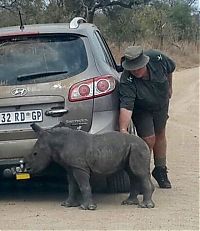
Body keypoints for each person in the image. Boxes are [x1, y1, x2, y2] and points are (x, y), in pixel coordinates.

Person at [119, 45, 176, 188]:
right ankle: (143, 174)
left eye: (138, 67)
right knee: (148, 139)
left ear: (144, 62)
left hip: (161, 103)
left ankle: (160, 170)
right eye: (132, 68)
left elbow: (170, 70)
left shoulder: (158, 58)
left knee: (160, 133)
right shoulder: (127, 79)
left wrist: (169, 86)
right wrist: (123, 129)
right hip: (142, 108)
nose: (135, 71)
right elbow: (126, 106)